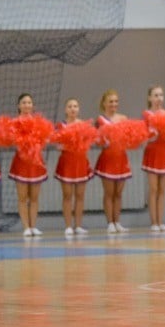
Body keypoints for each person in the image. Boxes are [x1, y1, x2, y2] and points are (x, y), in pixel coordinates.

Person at [0, 93, 53, 238]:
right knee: (22, 197)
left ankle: (33, 226)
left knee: (34, 198)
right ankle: (26, 227)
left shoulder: (40, 123)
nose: (27, 105)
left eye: (29, 103)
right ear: (19, 106)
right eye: (24, 103)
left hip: (36, 162)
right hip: (21, 162)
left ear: (33, 105)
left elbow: (45, 140)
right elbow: (8, 140)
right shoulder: (14, 123)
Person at [53, 98, 97, 237]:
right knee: (67, 195)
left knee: (80, 196)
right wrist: (65, 144)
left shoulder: (85, 125)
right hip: (66, 162)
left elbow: (90, 142)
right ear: (66, 110)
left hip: (80, 162)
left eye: (75, 106)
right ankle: (68, 226)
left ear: (78, 109)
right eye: (70, 106)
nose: (73, 109)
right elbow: (57, 145)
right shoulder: (61, 126)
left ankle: (78, 225)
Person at [94, 89, 133, 234]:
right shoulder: (100, 120)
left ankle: (117, 222)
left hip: (121, 157)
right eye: (110, 101)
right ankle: (109, 223)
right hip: (108, 158)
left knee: (119, 193)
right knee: (109, 193)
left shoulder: (123, 118)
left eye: (116, 101)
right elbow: (97, 141)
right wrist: (102, 139)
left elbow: (130, 137)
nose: (113, 104)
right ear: (104, 103)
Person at [141, 85, 165, 232]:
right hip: (152, 152)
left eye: (161, 95)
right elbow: (143, 135)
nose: (159, 98)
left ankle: (161, 222)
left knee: (162, 190)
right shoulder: (146, 114)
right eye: (155, 95)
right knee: (153, 189)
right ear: (149, 98)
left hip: (164, 151)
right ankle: (153, 222)